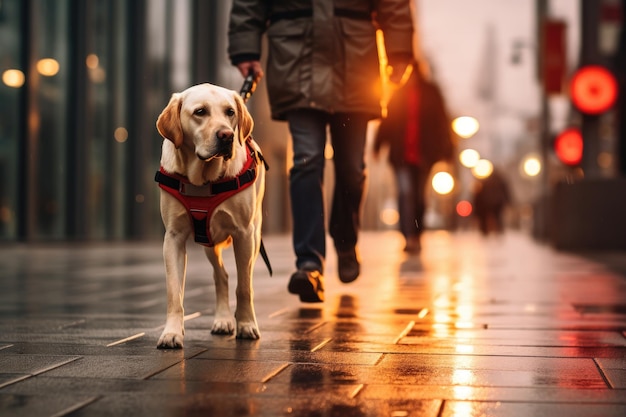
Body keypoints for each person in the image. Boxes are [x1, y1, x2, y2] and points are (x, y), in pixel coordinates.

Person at [228, 0, 414, 303]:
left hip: (356, 62)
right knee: (305, 161)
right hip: (297, 59)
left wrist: (400, 51)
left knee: (352, 170)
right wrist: (245, 48)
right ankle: (309, 263)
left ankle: (345, 239)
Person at [373, 62, 454, 253]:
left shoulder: (431, 92)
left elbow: (442, 120)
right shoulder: (398, 94)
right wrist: (377, 145)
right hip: (401, 155)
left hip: (424, 155)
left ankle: (417, 235)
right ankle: (407, 235)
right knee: (405, 192)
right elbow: (388, 121)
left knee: (419, 195)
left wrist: (448, 149)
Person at [473, 168, 511, 235]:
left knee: (486, 217)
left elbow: (481, 193)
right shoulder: (501, 181)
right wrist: (509, 201)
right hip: (498, 202)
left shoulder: (486, 181)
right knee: (498, 217)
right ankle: (499, 231)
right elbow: (506, 192)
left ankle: (485, 232)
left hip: (487, 202)